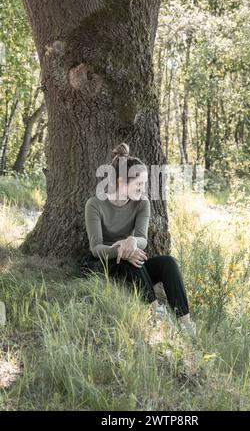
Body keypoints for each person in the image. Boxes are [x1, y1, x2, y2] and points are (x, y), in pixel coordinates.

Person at [83, 142, 197, 338]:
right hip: (105, 264)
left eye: (144, 184)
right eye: (138, 184)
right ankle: (156, 315)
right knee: (129, 259)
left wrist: (133, 242)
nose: (143, 188)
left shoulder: (142, 203)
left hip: (134, 264)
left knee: (167, 263)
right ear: (120, 182)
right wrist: (121, 249)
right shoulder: (95, 204)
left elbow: (142, 239)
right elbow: (95, 248)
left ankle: (185, 324)